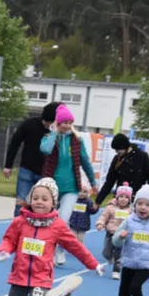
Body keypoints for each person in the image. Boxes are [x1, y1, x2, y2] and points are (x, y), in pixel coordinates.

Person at [0, 177, 104, 296]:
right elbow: (9, 240)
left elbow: (76, 247)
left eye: (45, 199)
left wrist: (93, 264)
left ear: (53, 203)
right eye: (35, 198)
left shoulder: (57, 226)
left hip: (42, 278)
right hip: (20, 276)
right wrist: (4, 250)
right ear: (30, 199)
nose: (39, 202)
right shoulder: (20, 222)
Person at [39, 104, 98, 265]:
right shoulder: (49, 137)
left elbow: (85, 162)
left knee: (63, 221)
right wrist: (54, 133)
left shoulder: (77, 140)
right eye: (63, 122)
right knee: (47, 220)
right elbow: (45, 150)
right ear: (58, 123)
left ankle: (59, 251)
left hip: (71, 188)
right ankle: (47, 250)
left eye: (69, 122)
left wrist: (93, 183)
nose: (67, 125)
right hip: (52, 186)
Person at [4, 102, 60, 216]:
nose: (47, 125)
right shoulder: (29, 124)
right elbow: (15, 143)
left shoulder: (58, 132)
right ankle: (18, 229)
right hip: (27, 170)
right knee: (21, 203)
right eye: (45, 122)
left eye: (50, 123)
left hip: (46, 174)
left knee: (43, 205)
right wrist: (8, 165)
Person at [95, 133, 149, 205]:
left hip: (137, 199)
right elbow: (110, 181)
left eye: (118, 149)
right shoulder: (117, 159)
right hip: (120, 199)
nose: (116, 152)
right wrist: (98, 201)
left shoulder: (142, 156)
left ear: (124, 147)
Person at [96, 183, 134, 279]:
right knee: (106, 253)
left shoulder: (131, 211)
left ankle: (116, 271)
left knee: (119, 254)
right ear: (116, 197)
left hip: (122, 236)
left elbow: (135, 222)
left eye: (126, 197)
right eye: (121, 196)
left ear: (129, 199)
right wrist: (100, 223)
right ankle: (110, 258)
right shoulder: (110, 208)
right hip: (110, 234)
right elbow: (103, 217)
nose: (123, 199)